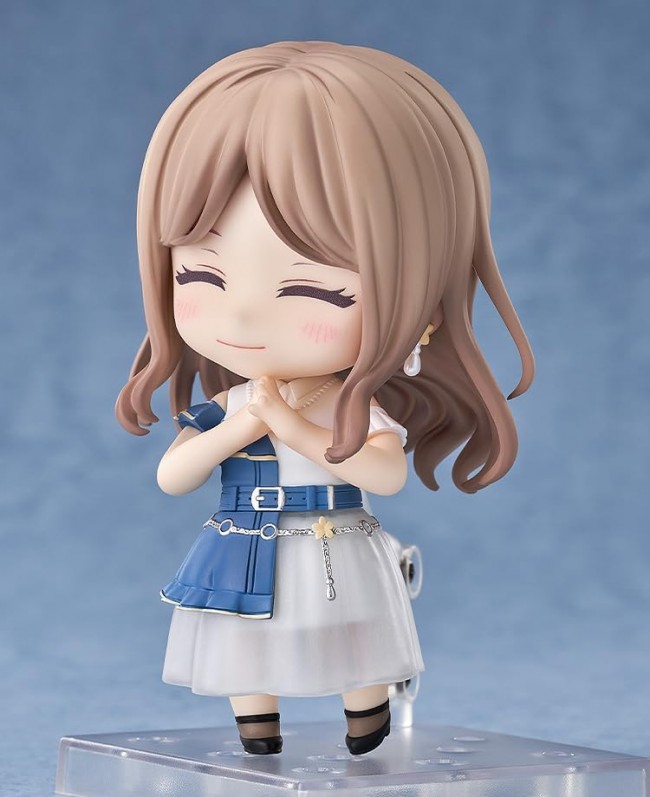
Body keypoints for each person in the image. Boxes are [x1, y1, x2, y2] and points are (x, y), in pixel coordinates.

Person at [116, 40, 534, 756]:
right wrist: (238, 427)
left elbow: (385, 474)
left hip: (332, 538)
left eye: (314, 290)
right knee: (243, 639)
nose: (243, 316)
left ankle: (365, 714)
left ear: (420, 306)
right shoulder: (230, 404)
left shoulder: (349, 407)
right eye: (201, 276)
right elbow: (173, 475)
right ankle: (258, 727)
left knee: (350, 634)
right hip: (242, 540)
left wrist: (291, 426)